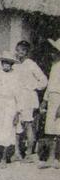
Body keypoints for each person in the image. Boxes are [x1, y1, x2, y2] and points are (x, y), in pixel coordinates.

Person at [13, 40, 48, 161]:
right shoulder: (15, 64)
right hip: (17, 97)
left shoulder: (31, 64)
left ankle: (28, 153)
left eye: (22, 51)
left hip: (28, 98)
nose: (19, 53)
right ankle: (16, 152)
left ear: (27, 52)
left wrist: (33, 87)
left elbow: (43, 81)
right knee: (16, 124)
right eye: (17, 50)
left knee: (28, 125)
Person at [39, 38, 60, 169]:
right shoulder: (54, 66)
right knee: (50, 130)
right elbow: (50, 86)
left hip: (59, 100)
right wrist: (45, 100)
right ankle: (50, 157)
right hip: (52, 99)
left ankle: (57, 158)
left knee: (58, 130)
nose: (52, 54)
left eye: (55, 51)